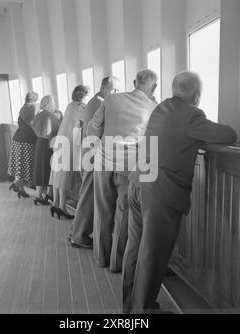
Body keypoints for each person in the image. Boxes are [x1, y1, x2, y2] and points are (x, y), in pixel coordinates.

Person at [122, 71, 238, 314]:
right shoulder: (191, 115)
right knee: (152, 253)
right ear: (196, 96)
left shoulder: (160, 107)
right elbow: (229, 135)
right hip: (159, 192)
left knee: (135, 248)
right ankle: (143, 310)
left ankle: (130, 306)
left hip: (137, 181)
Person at [89, 70, 158, 273]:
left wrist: (95, 149)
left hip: (102, 162)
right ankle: (116, 263)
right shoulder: (153, 107)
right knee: (123, 213)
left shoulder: (111, 99)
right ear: (153, 88)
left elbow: (94, 125)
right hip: (129, 167)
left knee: (102, 209)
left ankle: (100, 257)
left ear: (134, 82)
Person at [69, 76, 120, 249]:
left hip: (87, 153)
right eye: (113, 89)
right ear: (103, 86)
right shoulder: (100, 103)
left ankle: (77, 232)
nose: (115, 93)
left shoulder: (93, 101)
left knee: (87, 194)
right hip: (93, 154)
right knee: (89, 196)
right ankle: (79, 235)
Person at [50, 85, 90, 220]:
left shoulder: (69, 105)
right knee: (64, 176)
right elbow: (82, 124)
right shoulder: (82, 107)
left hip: (60, 140)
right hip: (70, 142)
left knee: (57, 174)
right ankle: (62, 207)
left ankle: (55, 203)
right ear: (84, 95)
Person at [32, 95, 63, 206]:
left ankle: (38, 195)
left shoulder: (38, 115)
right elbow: (57, 129)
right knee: (49, 169)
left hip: (39, 142)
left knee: (40, 169)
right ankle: (49, 194)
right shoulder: (51, 116)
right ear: (51, 103)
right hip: (48, 144)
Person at [8, 92, 39, 198]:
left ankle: (21, 189)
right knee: (28, 167)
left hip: (17, 139)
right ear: (34, 100)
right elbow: (33, 124)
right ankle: (16, 184)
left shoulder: (23, 108)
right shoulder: (32, 108)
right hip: (27, 140)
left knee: (21, 166)